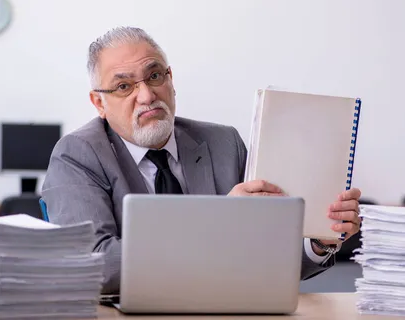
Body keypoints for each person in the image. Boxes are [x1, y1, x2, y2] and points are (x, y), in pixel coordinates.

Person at [41, 26, 362, 294]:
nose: (147, 95)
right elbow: (93, 265)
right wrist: (219, 222)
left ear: (171, 79)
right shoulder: (77, 155)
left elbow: (269, 258)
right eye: (124, 86)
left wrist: (317, 241)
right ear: (99, 102)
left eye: (154, 76)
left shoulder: (225, 144)